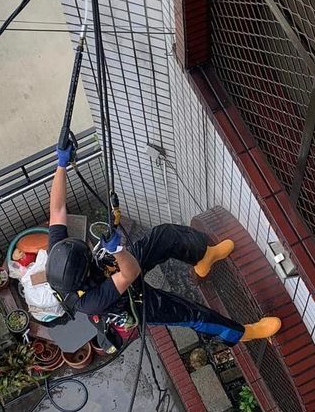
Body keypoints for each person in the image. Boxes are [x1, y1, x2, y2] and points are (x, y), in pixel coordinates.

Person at [45, 143, 282, 344]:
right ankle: (247, 333)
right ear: (85, 269)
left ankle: (204, 256)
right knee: (191, 314)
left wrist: (61, 164)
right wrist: (116, 250)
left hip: (114, 268)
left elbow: (57, 211)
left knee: (163, 236)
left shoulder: (60, 255)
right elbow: (130, 273)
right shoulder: (90, 303)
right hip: (129, 300)